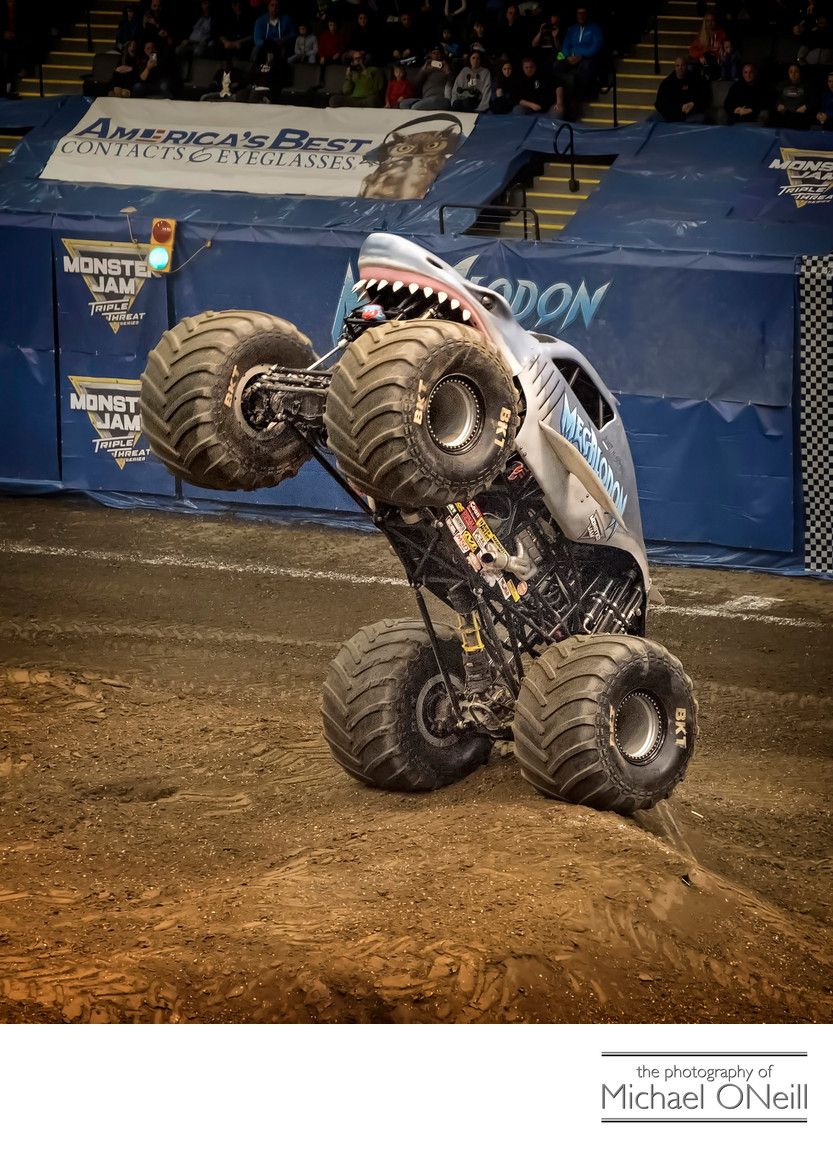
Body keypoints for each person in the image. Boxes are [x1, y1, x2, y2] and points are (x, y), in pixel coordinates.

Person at [553, 5, 603, 115]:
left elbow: (596, 46)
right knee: (557, 64)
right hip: (571, 58)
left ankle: (577, 100)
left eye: (583, 13)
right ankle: (559, 98)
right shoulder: (571, 29)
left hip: (586, 58)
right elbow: (565, 45)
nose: (581, 16)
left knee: (584, 68)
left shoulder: (595, 28)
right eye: (579, 13)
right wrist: (568, 57)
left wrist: (581, 56)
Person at [654, 55, 709, 122]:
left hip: (690, 114)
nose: (680, 68)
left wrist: (693, 104)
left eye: (682, 65)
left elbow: (704, 95)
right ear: (675, 67)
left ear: (686, 66)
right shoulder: (667, 82)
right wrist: (679, 107)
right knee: (651, 119)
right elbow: (660, 104)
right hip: (671, 114)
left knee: (701, 118)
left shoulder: (695, 78)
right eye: (678, 65)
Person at [688, 11, 725, 78]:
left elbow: (726, 49)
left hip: (716, 62)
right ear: (705, 22)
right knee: (691, 66)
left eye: (712, 20)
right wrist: (700, 55)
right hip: (704, 61)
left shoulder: (721, 34)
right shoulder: (701, 35)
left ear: (715, 21)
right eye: (708, 21)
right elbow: (692, 50)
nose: (710, 23)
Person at [774, 62, 812, 128]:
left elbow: (813, 100)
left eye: (796, 72)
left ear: (800, 73)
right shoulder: (782, 85)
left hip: (799, 115)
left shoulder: (807, 86)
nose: (793, 74)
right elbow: (777, 98)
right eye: (791, 72)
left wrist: (806, 106)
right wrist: (778, 104)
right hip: (785, 114)